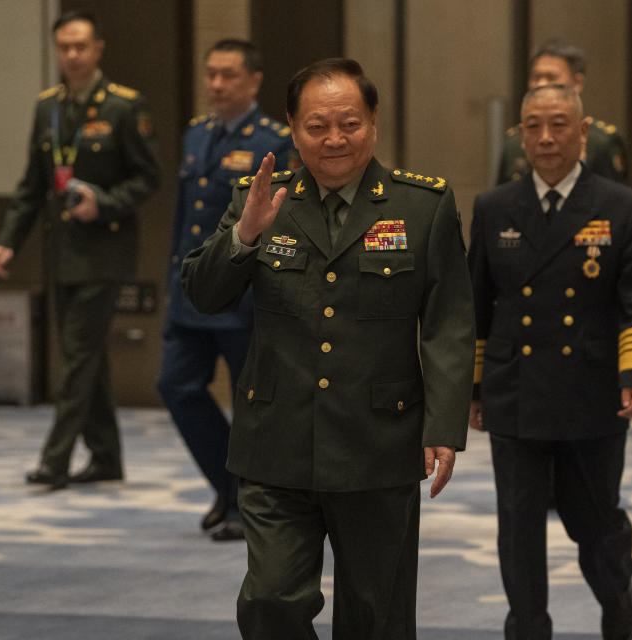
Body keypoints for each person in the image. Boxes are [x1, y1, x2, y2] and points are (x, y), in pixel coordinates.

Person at [181, 58, 474, 638]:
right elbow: (203, 294)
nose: (335, 139)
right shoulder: (261, 198)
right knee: (269, 602)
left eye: (350, 123)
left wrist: (443, 424)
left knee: (377, 615)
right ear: (292, 127)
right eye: (317, 126)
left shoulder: (423, 206)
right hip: (275, 442)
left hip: (377, 443)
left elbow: (448, 322)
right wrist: (245, 236)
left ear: (373, 124)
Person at [469, 84, 632, 640]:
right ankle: (527, 627)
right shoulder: (494, 206)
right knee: (518, 527)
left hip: (590, 392)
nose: (545, 138)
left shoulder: (620, 205)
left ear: (582, 130)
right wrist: (473, 388)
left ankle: (617, 603)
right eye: (533, 127)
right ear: (520, 134)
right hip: (514, 390)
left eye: (557, 125)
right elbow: (476, 304)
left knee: (594, 524)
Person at [0, 10, 160, 490]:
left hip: (104, 251)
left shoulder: (125, 106)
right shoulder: (49, 107)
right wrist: (6, 241)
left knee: (78, 357)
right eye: (64, 47)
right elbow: (32, 185)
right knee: (87, 358)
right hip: (60, 253)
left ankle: (55, 460)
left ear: (98, 49)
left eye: (80, 46)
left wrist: (102, 204)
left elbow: (148, 178)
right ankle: (106, 458)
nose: (72, 55)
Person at [157, 39, 294, 542]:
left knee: (251, 407)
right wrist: (175, 281)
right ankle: (227, 486)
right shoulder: (196, 135)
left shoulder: (274, 141)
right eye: (211, 74)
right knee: (175, 386)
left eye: (228, 75)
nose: (216, 84)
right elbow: (184, 220)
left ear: (254, 80)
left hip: (243, 302)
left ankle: (244, 503)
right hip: (192, 293)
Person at [497, 38, 629, 186]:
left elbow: (616, 199)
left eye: (551, 77)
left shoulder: (601, 142)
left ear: (577, 83)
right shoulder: (513, 142)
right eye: (536, 77)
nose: (541, 84)